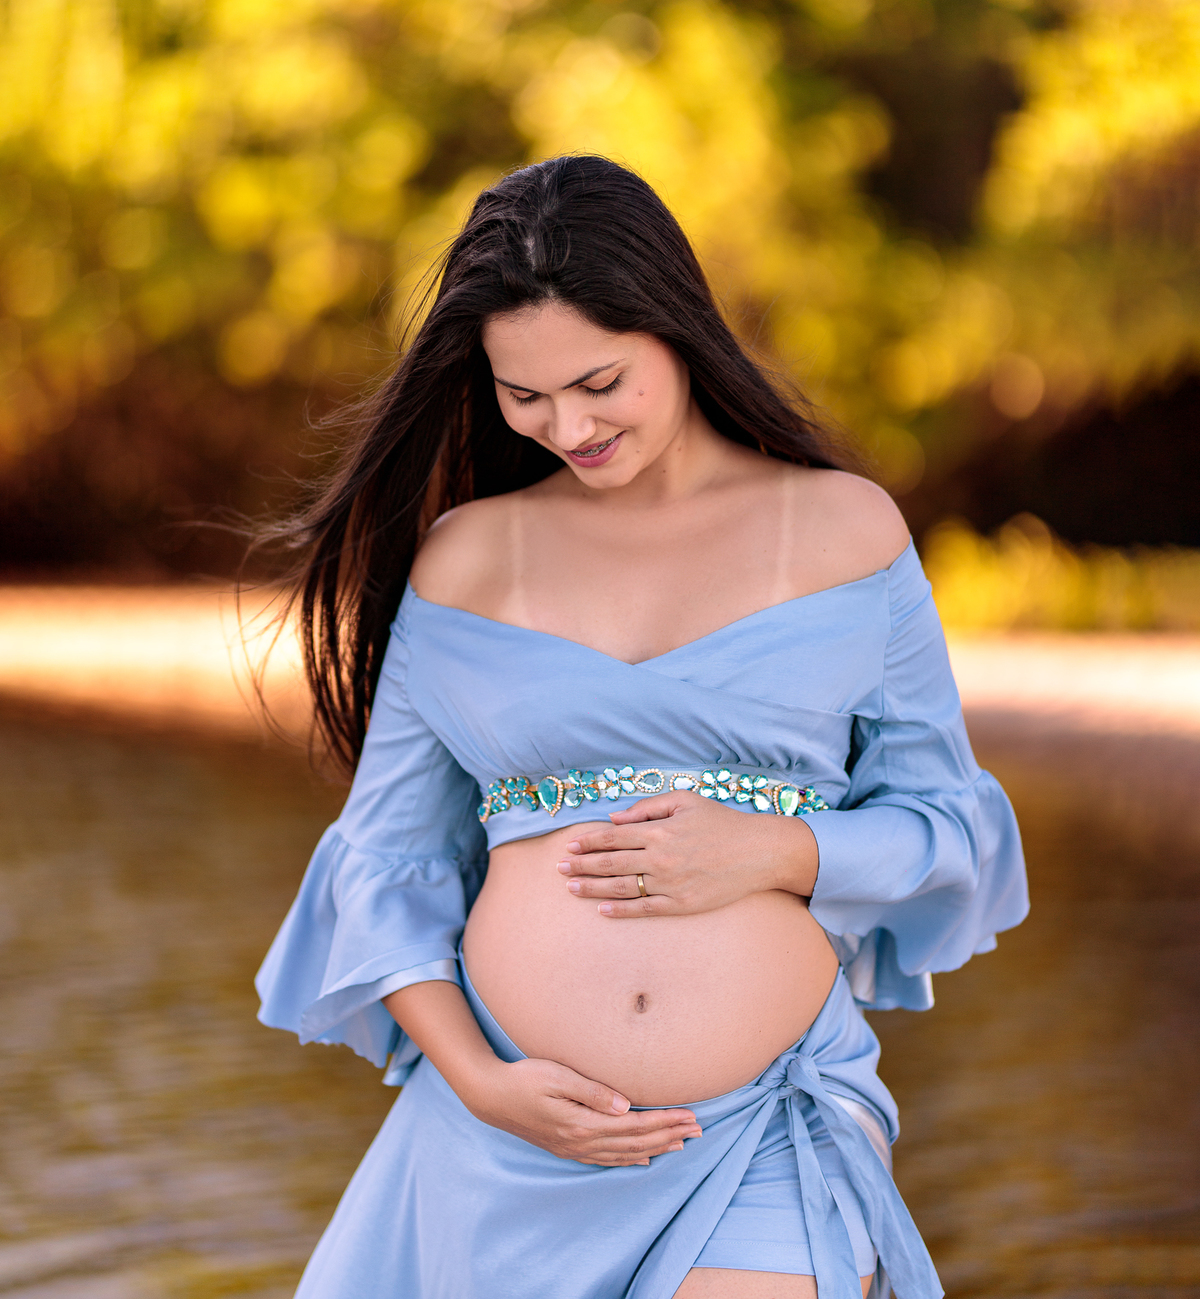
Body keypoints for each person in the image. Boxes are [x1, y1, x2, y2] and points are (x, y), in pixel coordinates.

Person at [255, 154, 1028, 1299]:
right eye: (525, 396)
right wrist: (477, 1077)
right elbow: (386, 860)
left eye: (599, 380)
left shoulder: (844, 533)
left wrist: (780, 850)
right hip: (510, 1136)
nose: (566, 424)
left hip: (761, 1129)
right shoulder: (471, 555)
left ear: (675, 327)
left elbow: (948, 824)